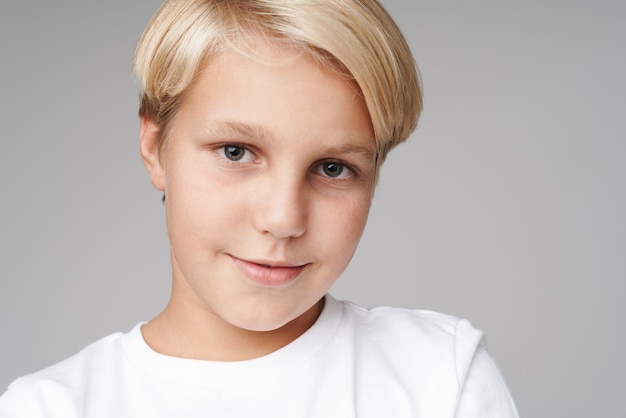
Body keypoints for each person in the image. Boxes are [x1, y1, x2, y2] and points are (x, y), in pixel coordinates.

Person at [0, 0, 519, 416]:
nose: (282, 219)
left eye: (333, 167)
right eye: (236, 152)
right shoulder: (50, 407)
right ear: (155, 148)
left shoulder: (438, 378)